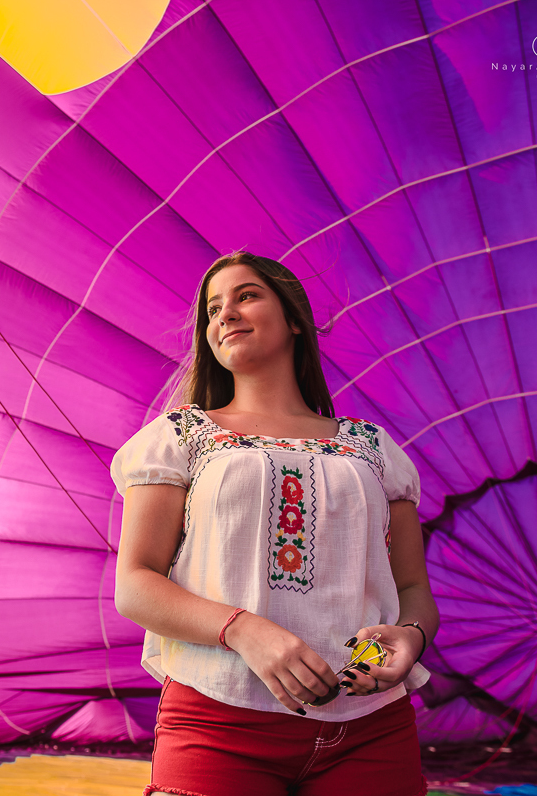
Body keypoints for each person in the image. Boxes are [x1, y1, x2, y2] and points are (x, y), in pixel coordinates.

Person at [111, 252, 438, 796]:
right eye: (213, 308)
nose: (225, 315)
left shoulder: (376, 449)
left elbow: (410, 589)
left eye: (246, 296)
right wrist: (244, 630)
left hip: (372, 726)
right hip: (218, 719)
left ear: (293, 319)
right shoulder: (179, 437)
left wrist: (409, 637)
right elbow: (136, 584)